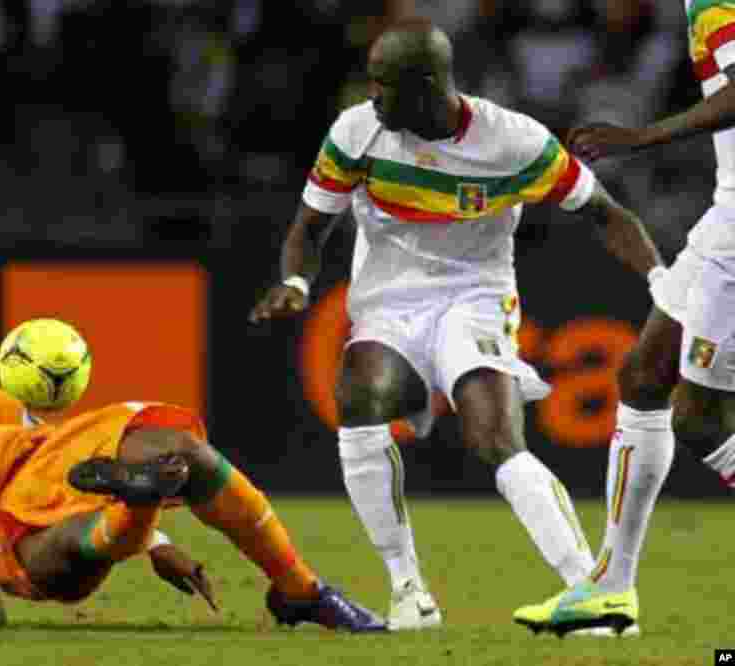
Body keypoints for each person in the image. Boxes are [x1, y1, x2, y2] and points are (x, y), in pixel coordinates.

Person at [249, 19, 663, 631]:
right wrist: (296, 283)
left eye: (383, 84)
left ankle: (590, 591)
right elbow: (310, 227)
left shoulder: (514, 142)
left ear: (424, 86)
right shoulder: (356, 132)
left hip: (475, 297)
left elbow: (605, 213)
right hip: (389, 301)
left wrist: (661, 282)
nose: (372, 96)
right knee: (357, 396)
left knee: (494, 437)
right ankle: (408, 590)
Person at [0, 381, 385, 631]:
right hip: (17, 542)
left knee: (182, 451)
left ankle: (299, 589)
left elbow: (44, 434)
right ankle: (137, 503)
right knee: (61, 546)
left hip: (46, 465)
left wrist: (158, 545)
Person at [514, 0, 735, 636]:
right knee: (643, 376)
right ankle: (610, 591)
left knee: (698, 418)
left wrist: (640, 138)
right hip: (725, 212)